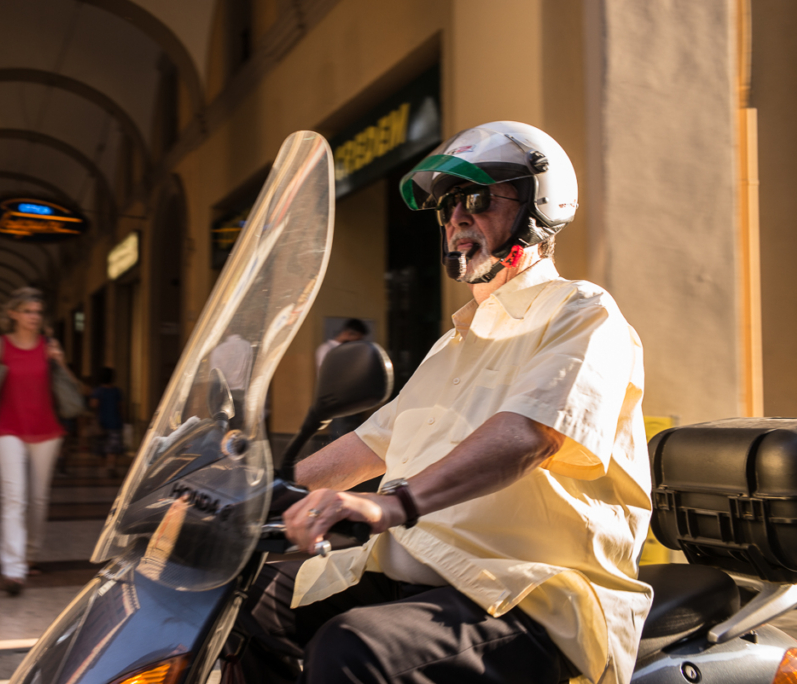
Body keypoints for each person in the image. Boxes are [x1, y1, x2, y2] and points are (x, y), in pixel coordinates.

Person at [240, 121, 652, 684]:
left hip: (528, 591)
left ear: (538, 208)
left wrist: (393, 505)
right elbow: (372, 444)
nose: (457, 217)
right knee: (248, 603)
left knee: (352, 649)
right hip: (417, 570)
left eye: (477, 199)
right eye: (448, 204)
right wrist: (253, 494)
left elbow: (531, 435)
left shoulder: (581, 311)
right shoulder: (454, 343)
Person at [0, 288, 71, 596]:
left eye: (38, 312)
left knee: (37, 500)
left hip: (46, 430)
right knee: (14, 498)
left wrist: (60, 362)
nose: (34, 317)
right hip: (6, 429)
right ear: (12, 314)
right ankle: (13, 570)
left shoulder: (49, 346)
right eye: (28, 311)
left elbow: (70, 389)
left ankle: (30, 553)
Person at [315, 319, 369, 441]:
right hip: (337, 398)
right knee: (340, 433)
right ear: (349, 334)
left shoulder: (351, 349)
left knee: (355, 433)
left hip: (354, 396)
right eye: (357, 338)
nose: (358, 342)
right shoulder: (326, 348)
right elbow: (325, 372)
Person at [90, 367, 125, 477]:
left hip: (101, 423)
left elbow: (93, 405)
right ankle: (111, 466)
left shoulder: (98, 391)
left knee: (101, 448)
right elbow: (121, 407)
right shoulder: (117, 391)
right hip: (115, 423)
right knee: (113, 448)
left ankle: (102, 469)